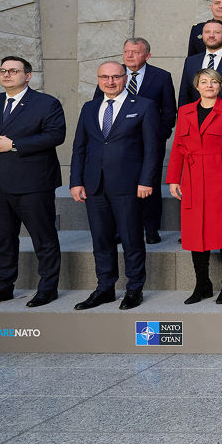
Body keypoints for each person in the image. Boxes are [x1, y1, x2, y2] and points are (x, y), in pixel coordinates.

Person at [0, 56, 66, 309]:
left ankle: (47, 289)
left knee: (43, 238)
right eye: (2, 70)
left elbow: (56, 135)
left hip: (33, 183)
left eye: (13, 70)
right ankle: (2, 287)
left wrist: (13, 145)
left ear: (28, 75)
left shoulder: (46, 103)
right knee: (3, 239)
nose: (6, 74)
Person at [70, 61, 161, 311]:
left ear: (125, 78)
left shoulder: (143, 106)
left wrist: (146, 181)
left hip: (129, 185)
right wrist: (76, 181)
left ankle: (134, 289)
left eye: (116, 77)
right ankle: (105, 288)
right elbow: (79, 147)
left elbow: (152, 149)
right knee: (101, 239)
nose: (110, 82)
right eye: (104, 77)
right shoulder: (89, 108)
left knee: (132, 238)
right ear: (98, 79)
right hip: (94, 185)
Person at [166, 68, 222, 305]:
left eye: (214, 81)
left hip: (221, 177)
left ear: (220, 86)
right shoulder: (185, 111)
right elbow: (179, 148)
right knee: (194, 233)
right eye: (204, 81)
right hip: (191, 179)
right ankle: (203, 284)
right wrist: (173, 179)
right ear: (197, 86)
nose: (209, 85)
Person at [92, 37, 175, 244]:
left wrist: (157, 137)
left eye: (135, 52)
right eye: (127, 51)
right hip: (117, 145)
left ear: (147, 55)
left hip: (149, 144)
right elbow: (97, 105)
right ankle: (121, 229)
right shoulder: (112, 74)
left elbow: (169, 111)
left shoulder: (161, 77)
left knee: (150, 185)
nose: (129, 56)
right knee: (120, 188)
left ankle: (151, 228)